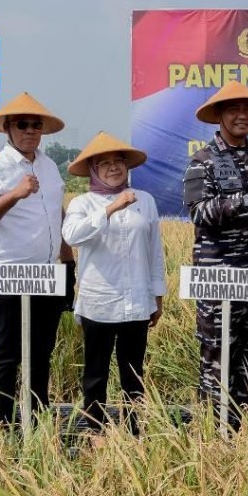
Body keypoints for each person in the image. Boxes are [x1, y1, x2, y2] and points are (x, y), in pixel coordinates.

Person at [183, 81, 248, 426]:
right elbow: (199, 213)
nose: (242, 115)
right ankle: (215, 435)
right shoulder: (204, 161)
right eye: (234, 109)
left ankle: (247, 431)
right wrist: (244, 200)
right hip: (220, 277)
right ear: (219, 116)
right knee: (219, 354)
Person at [0, 92, 75, 425]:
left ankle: (36, 419)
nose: (30, 130)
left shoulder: (49, 166)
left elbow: (55, 214)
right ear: (8, 129)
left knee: (41, 352)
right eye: (23, 125)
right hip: (6, 274)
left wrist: (68, 261)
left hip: (46, 275)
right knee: (7, 353)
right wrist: (14, 193)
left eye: (36, 125)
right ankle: (1, 423)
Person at [63, 132, 165, 435]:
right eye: (104, 164)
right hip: (99, 303)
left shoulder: (144, 200)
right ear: (93, 170)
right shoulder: (83, 203)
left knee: (133, 372)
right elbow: (73, 236)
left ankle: (135, 431)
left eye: (118, 161)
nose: (113, 168)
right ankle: (95, 431)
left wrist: (157, 295)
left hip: (136, 301)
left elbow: (154, 250)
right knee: (95, 373)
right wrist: (110, 209)